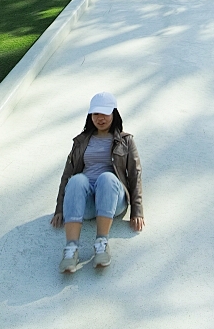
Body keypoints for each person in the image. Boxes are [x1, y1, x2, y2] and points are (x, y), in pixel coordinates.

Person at [51, 92, 144, 272]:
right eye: (96, 114)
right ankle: (71, 250)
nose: (100, 118)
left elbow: (135, 174)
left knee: (107, 177)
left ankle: (101, 243)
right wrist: (60, 208)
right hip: (86, 204)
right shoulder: (81, 141)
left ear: (114, 114)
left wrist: (137, 211)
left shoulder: (126, 141)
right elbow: (67, 174)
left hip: (113, 199)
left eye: (105, 114)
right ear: (90, 116)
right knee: (77, 179)